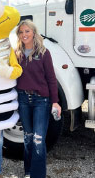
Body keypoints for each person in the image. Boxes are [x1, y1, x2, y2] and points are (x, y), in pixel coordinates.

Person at [15, 19, 62, 178]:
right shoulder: (17, 54)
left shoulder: (44, 53)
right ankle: (28, 172)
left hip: (41, 100)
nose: (24, 34)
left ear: (33, 33)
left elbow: (51, 78)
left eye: (27, 31)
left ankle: (38, 175)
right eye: (21, 32)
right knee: (28, 138)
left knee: (38, 139)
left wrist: (55, 101)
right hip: (23, 99)